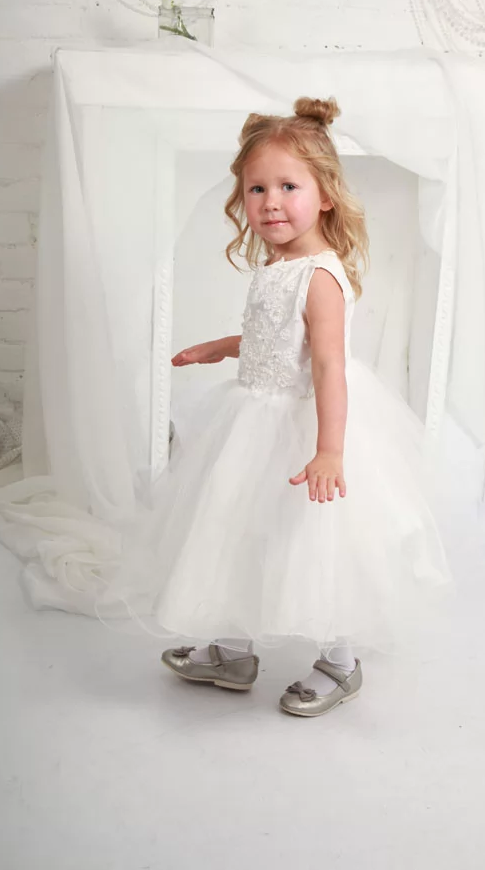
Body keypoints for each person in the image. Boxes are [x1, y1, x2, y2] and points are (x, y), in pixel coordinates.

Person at [109, 96, 462, 718]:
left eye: (288, 187)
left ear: (325, 194)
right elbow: (276, 338)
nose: (270, 202)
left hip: (304, 425)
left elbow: (326, 366)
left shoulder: (320, 276)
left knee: (318, 543)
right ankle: (233, 651)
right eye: (257, 189)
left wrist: (329, 450)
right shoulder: (278, 265)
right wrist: (222, 347)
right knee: (236, 526)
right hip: (252, 418)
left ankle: (341, 662)